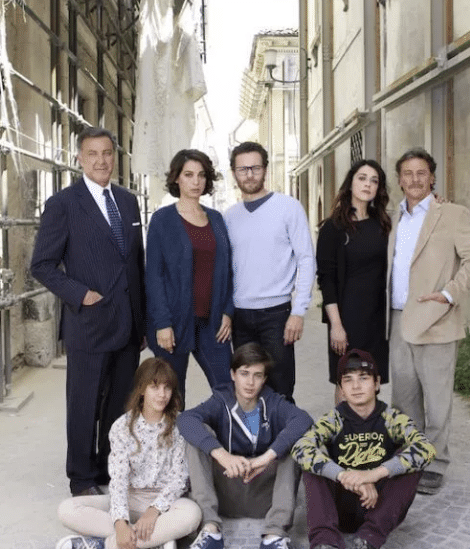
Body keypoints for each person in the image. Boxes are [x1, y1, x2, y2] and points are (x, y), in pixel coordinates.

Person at [30, 127, 146, 496]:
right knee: (85, 402)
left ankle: (109, 469)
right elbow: (42, 265)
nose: (101, 160)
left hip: (128, 324)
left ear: (115, 157)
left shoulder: (127, 201)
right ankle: (81, 478)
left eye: (107, 153)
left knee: (119, 404)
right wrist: (81, 295)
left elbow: (136, 263)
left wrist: (142, 321)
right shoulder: (63, 204)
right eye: (92, 153)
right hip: (89, 323)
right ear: (80, 158)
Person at [387, 147, 470, 494]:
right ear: (400, 180)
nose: (414, 179)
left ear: (432, 177)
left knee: (437, 401)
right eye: (408, 173)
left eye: (421, 173)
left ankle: (436, 463)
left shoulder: (453, 214)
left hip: (437, 319)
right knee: (404, 399)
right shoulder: (393, 219)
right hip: (397, 320)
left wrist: (448, 294)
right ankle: (412, 457)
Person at [291, 349, 435, 549]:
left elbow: (427, 449)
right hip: (339, 506)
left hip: (378, 505)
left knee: (412, 462)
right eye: (348, 380)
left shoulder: (391, 418)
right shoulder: (334, 419)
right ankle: (325, 544)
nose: (356, 386)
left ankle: (367, 541)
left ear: (377, 383)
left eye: (364, 378)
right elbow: (300, 448)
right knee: (312, 464)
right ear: (341, 389)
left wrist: (372, 475)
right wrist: (344, 476)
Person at [177, 343, 313, 549]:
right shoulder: (221, 400)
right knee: (198, 436)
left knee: (295, 441)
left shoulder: (273, 402)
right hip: (226, 490)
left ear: (264, 379)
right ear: (233, 375)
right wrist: (222, 455)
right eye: (244, 373)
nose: (250, 382)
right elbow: (185, 419)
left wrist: (266, 458)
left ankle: (274, 536)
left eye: (257, 375)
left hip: (264, 496)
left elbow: (303, 420)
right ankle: (211, 532)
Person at [56, 358, 201, 549]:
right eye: (154, 387)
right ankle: (155, 540)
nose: (162, 394)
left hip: (166, 503)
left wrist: (153, 511)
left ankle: (106, 547)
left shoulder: (180, 424)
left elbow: (180, 478)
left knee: (192, 514)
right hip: (131, 498)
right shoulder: (122, 427)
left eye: (167, 388)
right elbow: (118, 480)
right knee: (67, 509)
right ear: (141, 389)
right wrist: (120, 523)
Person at [224, 142, 315, 402]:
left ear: (265, 169)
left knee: (281, 388)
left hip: (277, 314)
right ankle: (254, 430)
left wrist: (298, 311)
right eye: (243, 169)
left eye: (255, 168)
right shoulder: (228, 217)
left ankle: (283, 431)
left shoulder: (288, 208)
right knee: (247, 390)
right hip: (240, 316)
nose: (249, 175)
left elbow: (306, 259)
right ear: (234, 173)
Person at [146, 149, 233, 398]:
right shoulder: (162, 220)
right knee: (172, 397)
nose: (196, 182)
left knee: (228, 388)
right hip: (174, 322)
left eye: (201, 175)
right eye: (188, 175)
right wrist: (162, 323)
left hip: (212, 322)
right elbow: (154, 276)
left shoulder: (216, 219)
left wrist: (228, 311)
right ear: (177, 178)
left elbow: (227, 269)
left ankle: (222, 427)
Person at [316, 159, 392, 402]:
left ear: (379, 188)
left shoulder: (384, 224)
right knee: (347, 379)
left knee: (371, 380)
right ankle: (343, 426)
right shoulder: (333, 228)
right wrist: (336, 325)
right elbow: (326, 281)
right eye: (362, 178)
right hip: (347, 317)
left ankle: (367, 425)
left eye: (374, 180)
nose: (368, 184)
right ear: (350, 183)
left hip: (377, 318)